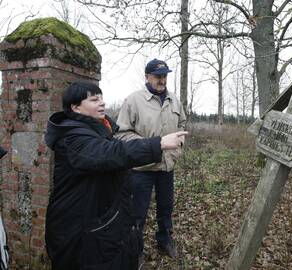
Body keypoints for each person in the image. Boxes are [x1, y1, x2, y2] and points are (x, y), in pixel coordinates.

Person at [44, 81, 187, 270]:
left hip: (102, 224)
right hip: (79, 231)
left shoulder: (101, 130)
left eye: (102, 98)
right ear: (75, 107)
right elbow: (111, 153)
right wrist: (158, 144)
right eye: (94, 100)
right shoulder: (72, 137)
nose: (102, 103)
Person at [116, 59, 186, 259]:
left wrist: (177, 148)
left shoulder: (174, 100)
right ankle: (135, 249)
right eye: (157, 76)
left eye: (164, 76)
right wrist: (149, 147)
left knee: (166, 209)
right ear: (146, 77)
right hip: (141, 169)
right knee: (137, 212)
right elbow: (121, 134)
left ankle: (165, 240)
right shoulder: (133, 101)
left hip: (166, 167)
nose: (162, 80)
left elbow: (182, 124)